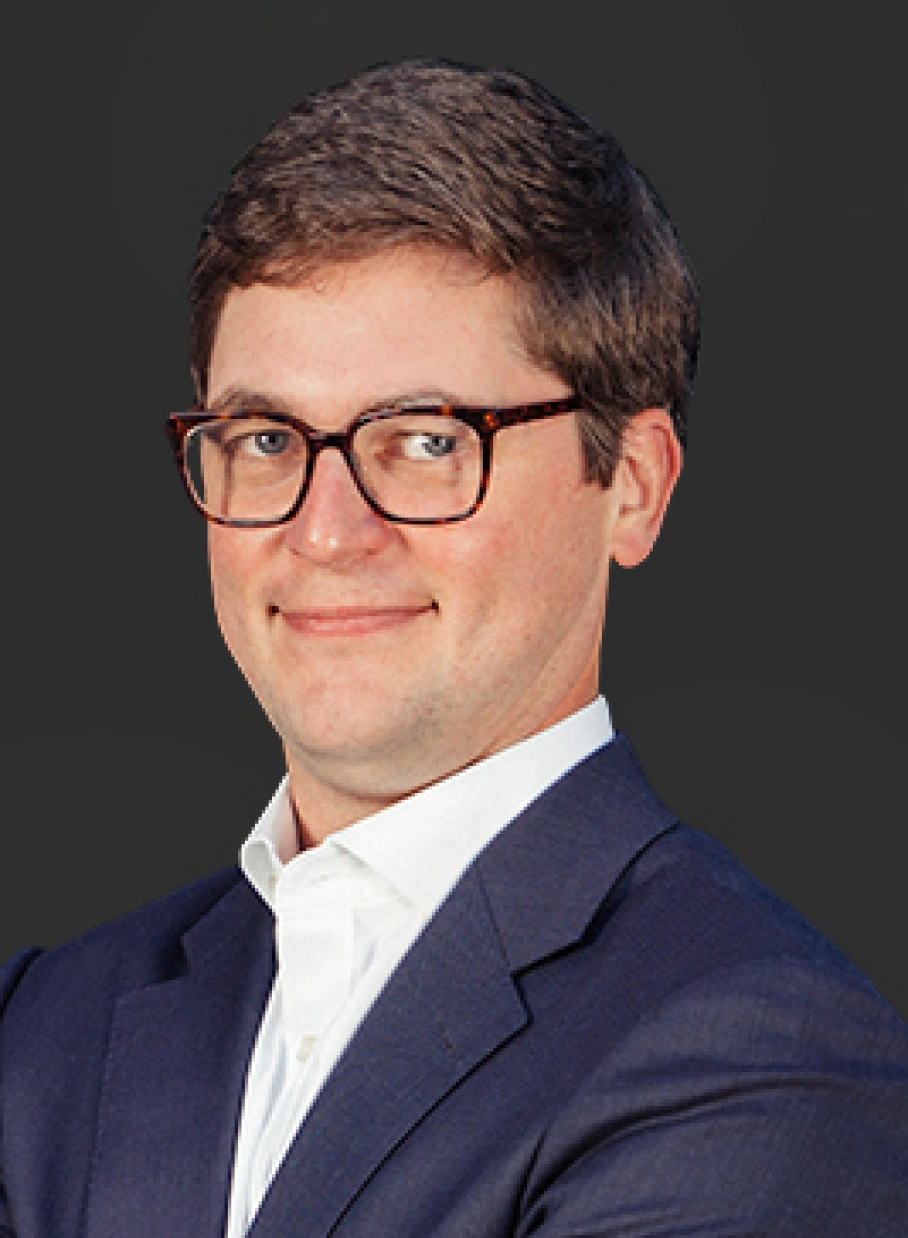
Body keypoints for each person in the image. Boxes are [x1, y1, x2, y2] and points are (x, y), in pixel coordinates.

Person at [1, 58, 905, 1238]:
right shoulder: (46, 1024)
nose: (323, 532)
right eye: (268, 437)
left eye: (425, 441)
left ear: (629, 485)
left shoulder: (764, 1058)